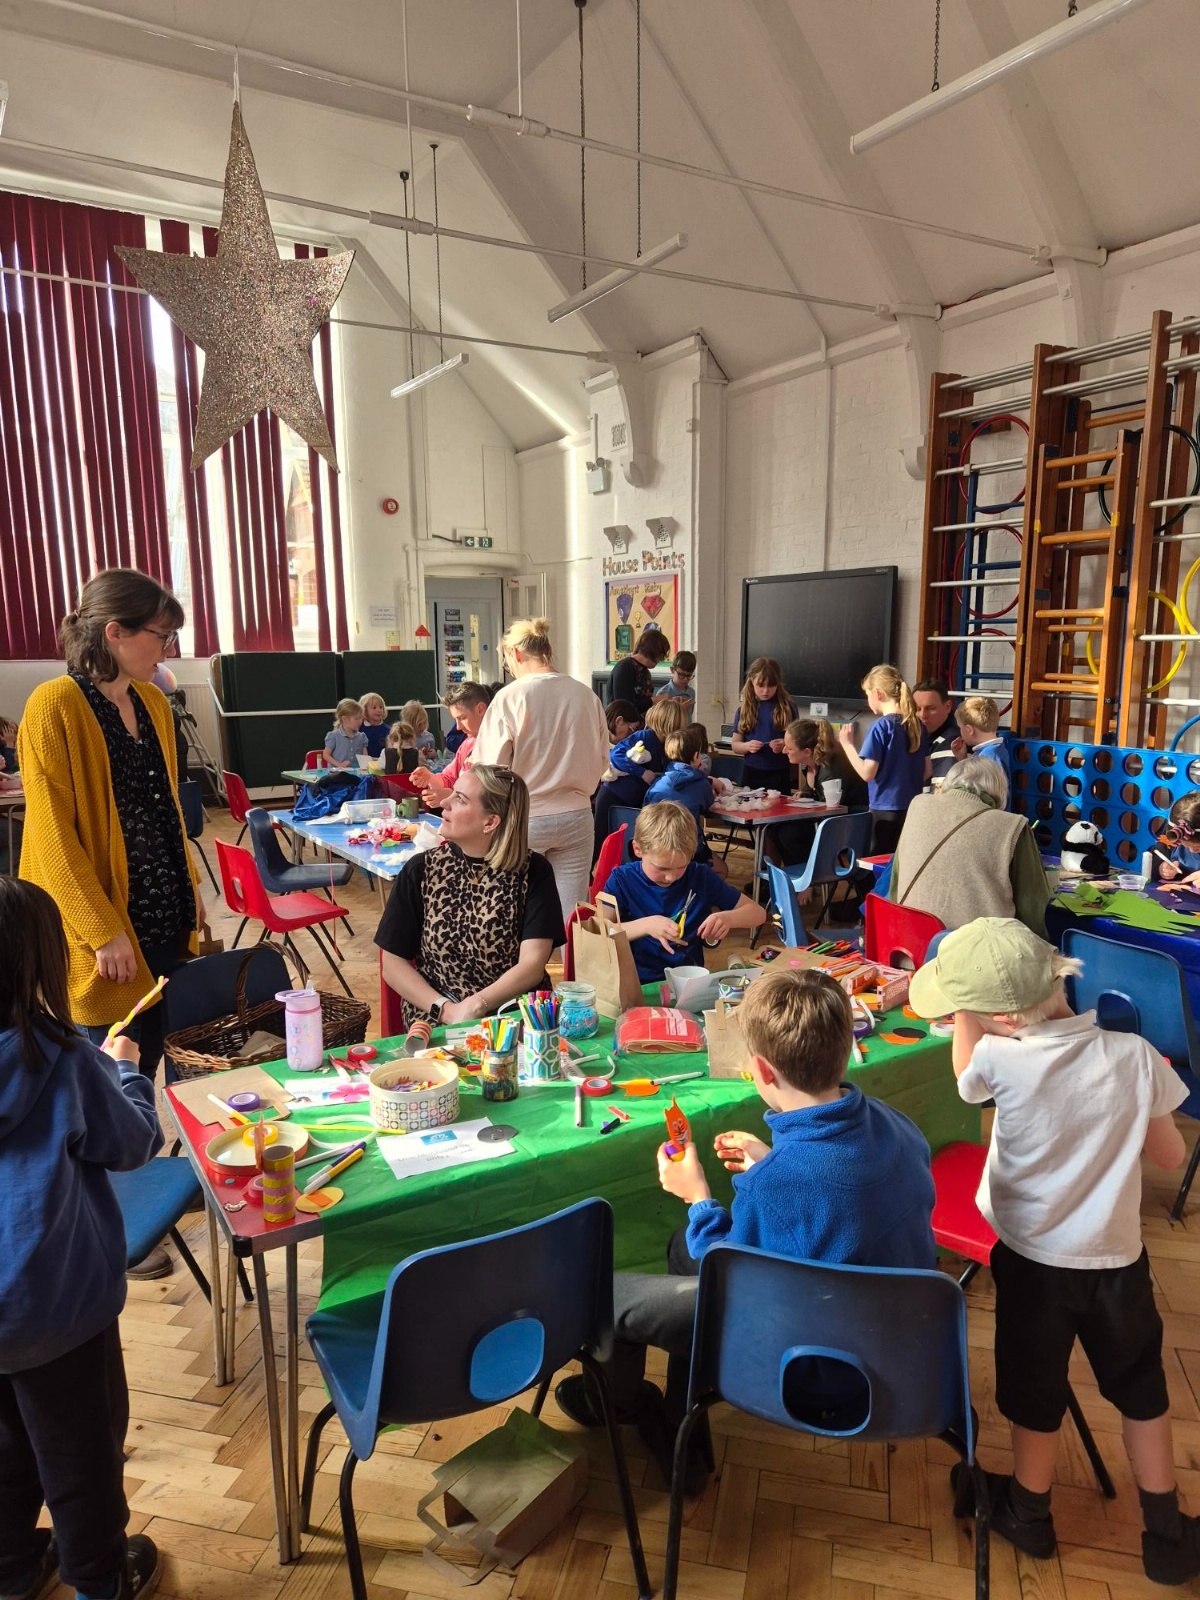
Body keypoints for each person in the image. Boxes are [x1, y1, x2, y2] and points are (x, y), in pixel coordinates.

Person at [555, 965, 937, 1490]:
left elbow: (724, 1267)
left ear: (760, 1070)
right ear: (848, 1047)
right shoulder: (897, 1124)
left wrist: (697, 1197)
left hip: (812, 1366)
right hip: (898, 1342)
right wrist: (770, 1162)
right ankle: (680, 1420)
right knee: (680, 1248)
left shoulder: (776, 1183)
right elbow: (837, 1195)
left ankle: (619, 1405)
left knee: (610, 1296)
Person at [908, 919, 1200, 1581]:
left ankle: (1029, 1512)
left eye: (966, 1010)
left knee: (1034, 1391)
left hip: (1032, 1262)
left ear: (1004, 1019)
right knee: (1141, 1389)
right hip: (1117, 1262)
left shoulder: (997, 1058)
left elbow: (965, 1079)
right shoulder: (1134, 1055)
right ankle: (1165, 1533)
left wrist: (967, 1020)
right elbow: (1168, 1155)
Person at [0, 879, 164, 1600]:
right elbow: (133, 1143)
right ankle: (101, 1582)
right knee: (82, 1459)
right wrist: (124, 1068)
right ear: (38, 965)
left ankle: (11, 1569)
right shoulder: (63, 1057)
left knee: (6, 1449)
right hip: (57, 1306)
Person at [18, 569, 200, 1096]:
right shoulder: (54, 704)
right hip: (106, 929)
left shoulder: (154, 703)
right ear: (115, 632)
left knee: (163, 1063)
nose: (167, 649)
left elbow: (166, 810)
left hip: (164, 916)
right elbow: (52, 836)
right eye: (161, 635)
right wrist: (102, 930)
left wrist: (190, 891)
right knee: (112, 1082)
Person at [375, 765, 564, 1028]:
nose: (444, 802)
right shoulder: (422, 870)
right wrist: (446, 1010)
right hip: (435, 1018)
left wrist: (477, 1005)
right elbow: (392, 963)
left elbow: (532, 964)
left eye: (460, 799)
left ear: (490, 822)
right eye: (452, 793)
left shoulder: (533, 872)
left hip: (512, 1017)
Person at [471, 618, 610, 922]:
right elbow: (603, 761)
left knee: (515, 911)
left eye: (507, 661)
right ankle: (568, 956)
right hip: (577, 815)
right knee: (570, 916)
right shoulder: (586, 695)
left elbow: (489, 770)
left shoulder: (509, 697)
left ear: (516, 654)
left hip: (525, 817)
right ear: (547, 648)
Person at [601, 801, 764, 982]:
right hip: (635, 983)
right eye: (661, 868)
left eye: (681, 867)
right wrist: (645, 926)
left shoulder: (700, 877)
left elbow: (758, 913)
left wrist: (727, 918)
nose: (671, 877)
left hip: (689, 981)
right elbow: (600, 931)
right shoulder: (621, 880)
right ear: (638, 849)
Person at [887, 758, 1050, 935]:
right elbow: (1033, 906)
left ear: (949, 783)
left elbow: (895, 883)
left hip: (907, 942)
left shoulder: (917, 806)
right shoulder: (1012, 826)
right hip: (977, 949)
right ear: (1000, 791)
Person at [838, 663, 929, 854]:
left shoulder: (880, 727)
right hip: (911, 808)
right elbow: (927, 771)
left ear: (878, 694)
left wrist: (847, 745)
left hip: (884, 809)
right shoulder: (918, 725)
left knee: (878, 863)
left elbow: (867, 773)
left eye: (867, 693)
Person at [594, 699, 690, 860]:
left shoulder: (667, 746)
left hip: (633, 803)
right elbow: (616, 756)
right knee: (601, 848)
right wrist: (642, 772)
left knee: (627, 852)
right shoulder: (645, 737)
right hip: (612, 798)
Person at [645, 725, 723, 868]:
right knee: (722, 869)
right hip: (688, 850)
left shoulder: (657, 782)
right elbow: (709, 810)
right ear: (696, 756)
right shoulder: (701, 783)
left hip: (656, 847)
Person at [409, 682, 493, 808]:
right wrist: (430, 778)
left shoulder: (499, 745)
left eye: (462, 718)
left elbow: (493, 795)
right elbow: (449, 777)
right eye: (455, 720)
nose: (458, 727)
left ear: (480, 709)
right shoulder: (467, 744)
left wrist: (452, 795)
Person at [731, 657, 794, 793]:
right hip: (751, 773)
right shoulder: (743, 710)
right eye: (761, 686)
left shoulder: (788, 708)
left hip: (779, 773)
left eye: (771, 686)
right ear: (752, 681)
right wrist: (748, 746)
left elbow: (797, 743)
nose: (765, 691)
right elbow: (735, 745)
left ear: (778, 684)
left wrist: (785, 744)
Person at [608, 628, 672, 718]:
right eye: (662, 654)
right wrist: (655, 700)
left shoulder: (644, 670)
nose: (662, 659)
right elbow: (624, 707)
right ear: (654, 651)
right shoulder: (625, 667)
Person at [953, 695, 1010, 789]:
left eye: (960, 727)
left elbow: (976, 789)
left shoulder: (987, 757)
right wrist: (962, 758)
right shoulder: (997, 750)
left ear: (969, 730)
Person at [913, 678, 958, 786]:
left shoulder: (952, 743)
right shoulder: (917, 736)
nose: (923, 715)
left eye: (930, 708)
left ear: (947, 707)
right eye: (917, 709)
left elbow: (940, 792)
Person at [1157, 791, 1200, 884]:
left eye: (1197, 847)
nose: (1192, 850)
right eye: (1185, 845)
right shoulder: (1174, 836)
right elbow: (1158, 854)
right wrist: (1163, 868)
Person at [324, 698, 368, 769]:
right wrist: (339, 765)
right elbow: (326, 755)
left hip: (356, 773)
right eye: (357, 718)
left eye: (361, 718)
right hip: (337, 773)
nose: (360, 721)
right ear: (345, 719)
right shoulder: (334, 736)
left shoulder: (362, 736)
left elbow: (365, 757)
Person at [653, 650, 697, 719]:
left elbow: (689, 716)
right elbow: (660, 720)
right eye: (681, 675)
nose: (685, 679)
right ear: (672, 670)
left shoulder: (691, 692)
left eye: (689, 676)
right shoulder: (663, 693)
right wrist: (678, 709)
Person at [359, 692, 391, 760]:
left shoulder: (388, 730)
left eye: (381, 707)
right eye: (374, 707)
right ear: (365, 710)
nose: (379, 710)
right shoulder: (359, 729)